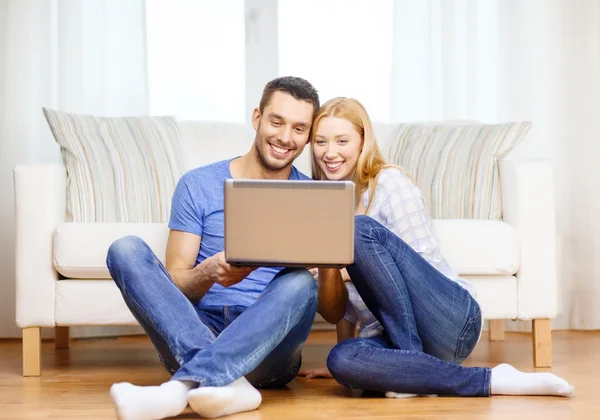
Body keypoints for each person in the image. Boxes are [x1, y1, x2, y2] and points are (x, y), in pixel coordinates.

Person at [302, 97, 574, 398]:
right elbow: (346, 311)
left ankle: (408, 364)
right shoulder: (326, 206)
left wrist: (347, 270)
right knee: (341, 360)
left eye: (342, 141)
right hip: (389, 338)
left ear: (363, 142)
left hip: (449, 319)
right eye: (320, 142)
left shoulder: (390, 182)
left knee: (359, 230)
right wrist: (343, 340)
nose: (330, 153)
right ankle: (483, 379)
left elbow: (421, 264)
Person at [106, 76, 321, 420]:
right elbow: (176, 285)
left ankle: (179, 389)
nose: (284, 137)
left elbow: (326, 303)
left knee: (301, 282)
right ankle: (228, 385)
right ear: (257, 118)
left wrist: (320, 270)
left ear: (308, 136)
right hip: (196, 329)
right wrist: (208, 273)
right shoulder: (198, 184)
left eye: (299, 128)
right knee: (125, 249)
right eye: (276, 121)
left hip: (270, 348)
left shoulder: (316, 198)